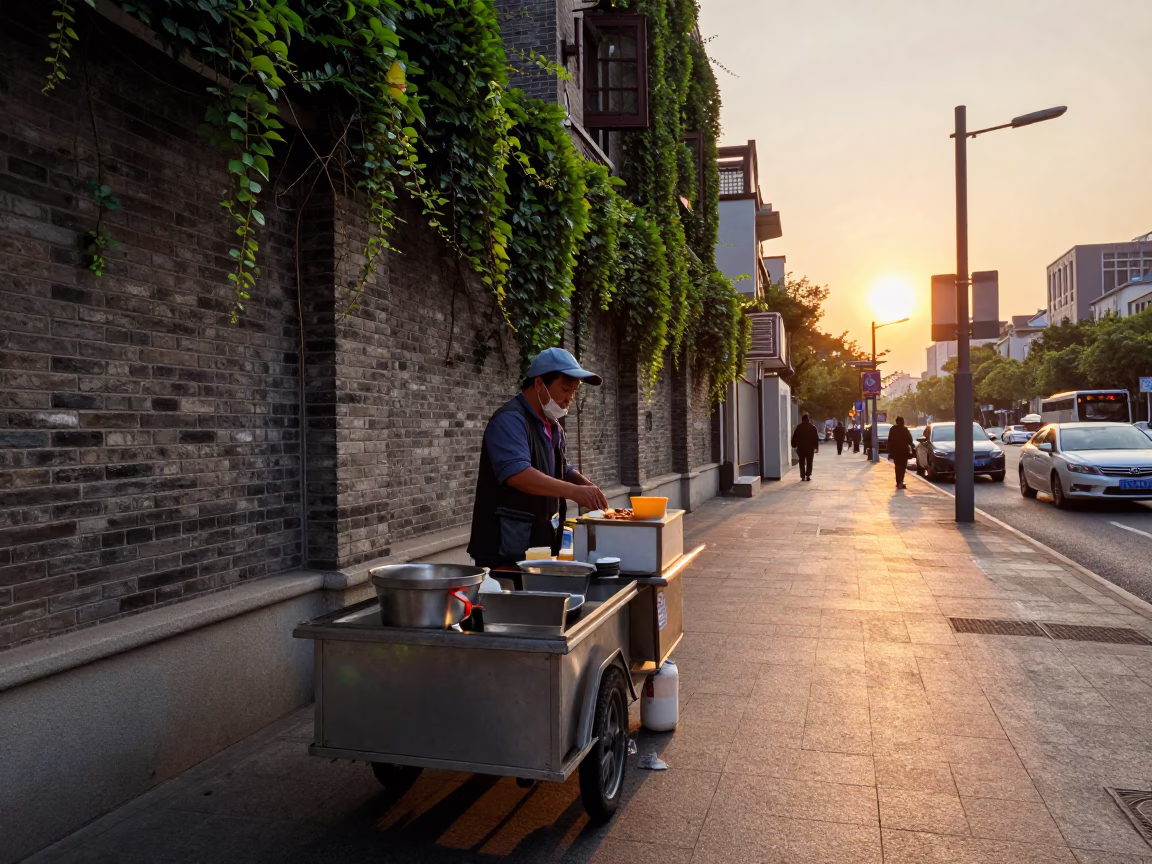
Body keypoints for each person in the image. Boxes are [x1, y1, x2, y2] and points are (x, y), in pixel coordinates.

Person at [468, 348, 610, 569]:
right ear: (538, 384)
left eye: (574, 392)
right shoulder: (509, 421)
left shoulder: (551, 424)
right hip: (505, 550)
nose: (569, 399)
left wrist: (584, 484)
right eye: (565, 389)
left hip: (540, 544)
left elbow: (559, 467)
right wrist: (574, 492)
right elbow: (517, 474)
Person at [887, 415, 915, 490]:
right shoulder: (905, 430)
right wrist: (912, 447)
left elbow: (889, 441)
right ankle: (900, 482)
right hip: (904, 452)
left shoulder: (892, 429)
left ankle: (898, 482)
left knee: (897, 467)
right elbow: (910, 440)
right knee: (902, 468)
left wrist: (889, 451)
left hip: (895, 452)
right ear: (903, 422)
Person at [791, 412, 820, 481]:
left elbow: (794, 436)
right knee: (809, 462)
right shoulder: (813, 427)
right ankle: (808, 475)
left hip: (801, 447)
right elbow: (816, 438)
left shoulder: (799, 427)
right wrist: (816, 447)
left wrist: (794, 445)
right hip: (810, 448)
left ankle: (802, 476)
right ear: (808, 419)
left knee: (801, 462)